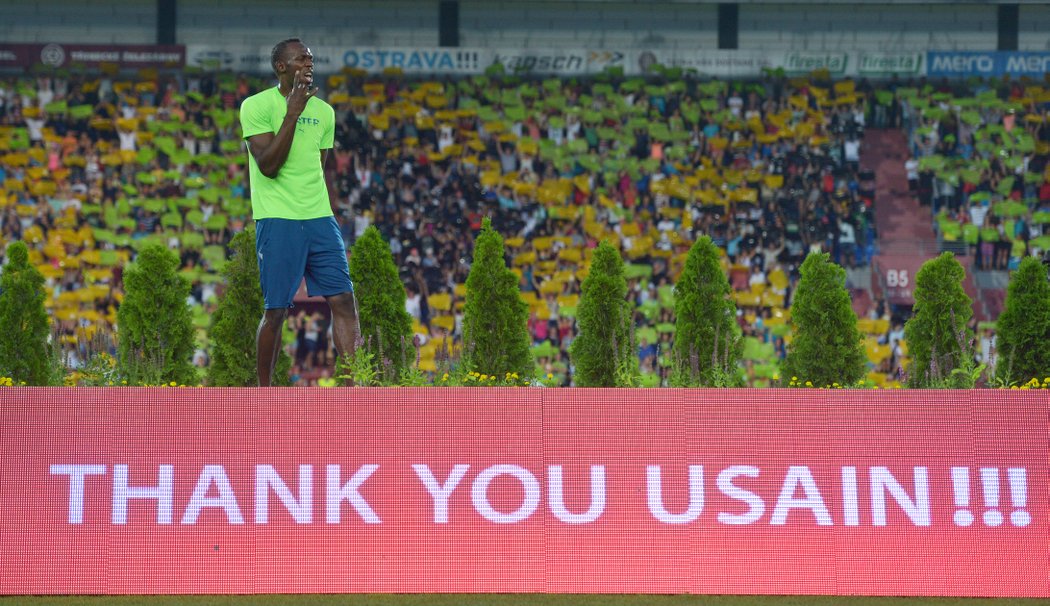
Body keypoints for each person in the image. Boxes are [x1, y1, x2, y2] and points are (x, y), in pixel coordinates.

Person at [240, 38, 359, 386]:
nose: (308, 63)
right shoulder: (256, 106)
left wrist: (324, 211)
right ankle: (265, 393)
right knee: (276, 310)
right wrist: (292, 112)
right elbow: (269, 166)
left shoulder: (325, 112)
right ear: (281, 66)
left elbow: (317, 169)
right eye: (300, 59)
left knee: (344, 299)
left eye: (310, 58)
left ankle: (355, 387)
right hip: (278, 219)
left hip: (319, 218)